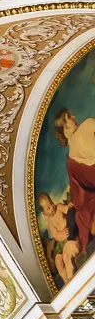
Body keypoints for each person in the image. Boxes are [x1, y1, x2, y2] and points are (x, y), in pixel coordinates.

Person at [54, 107, 95, 255]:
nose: (74, 116)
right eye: (69, 117)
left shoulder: (70, 161)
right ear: (66, 126)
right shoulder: (88, 125)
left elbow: (79, 196)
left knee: (83, 214)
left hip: (90, 204)